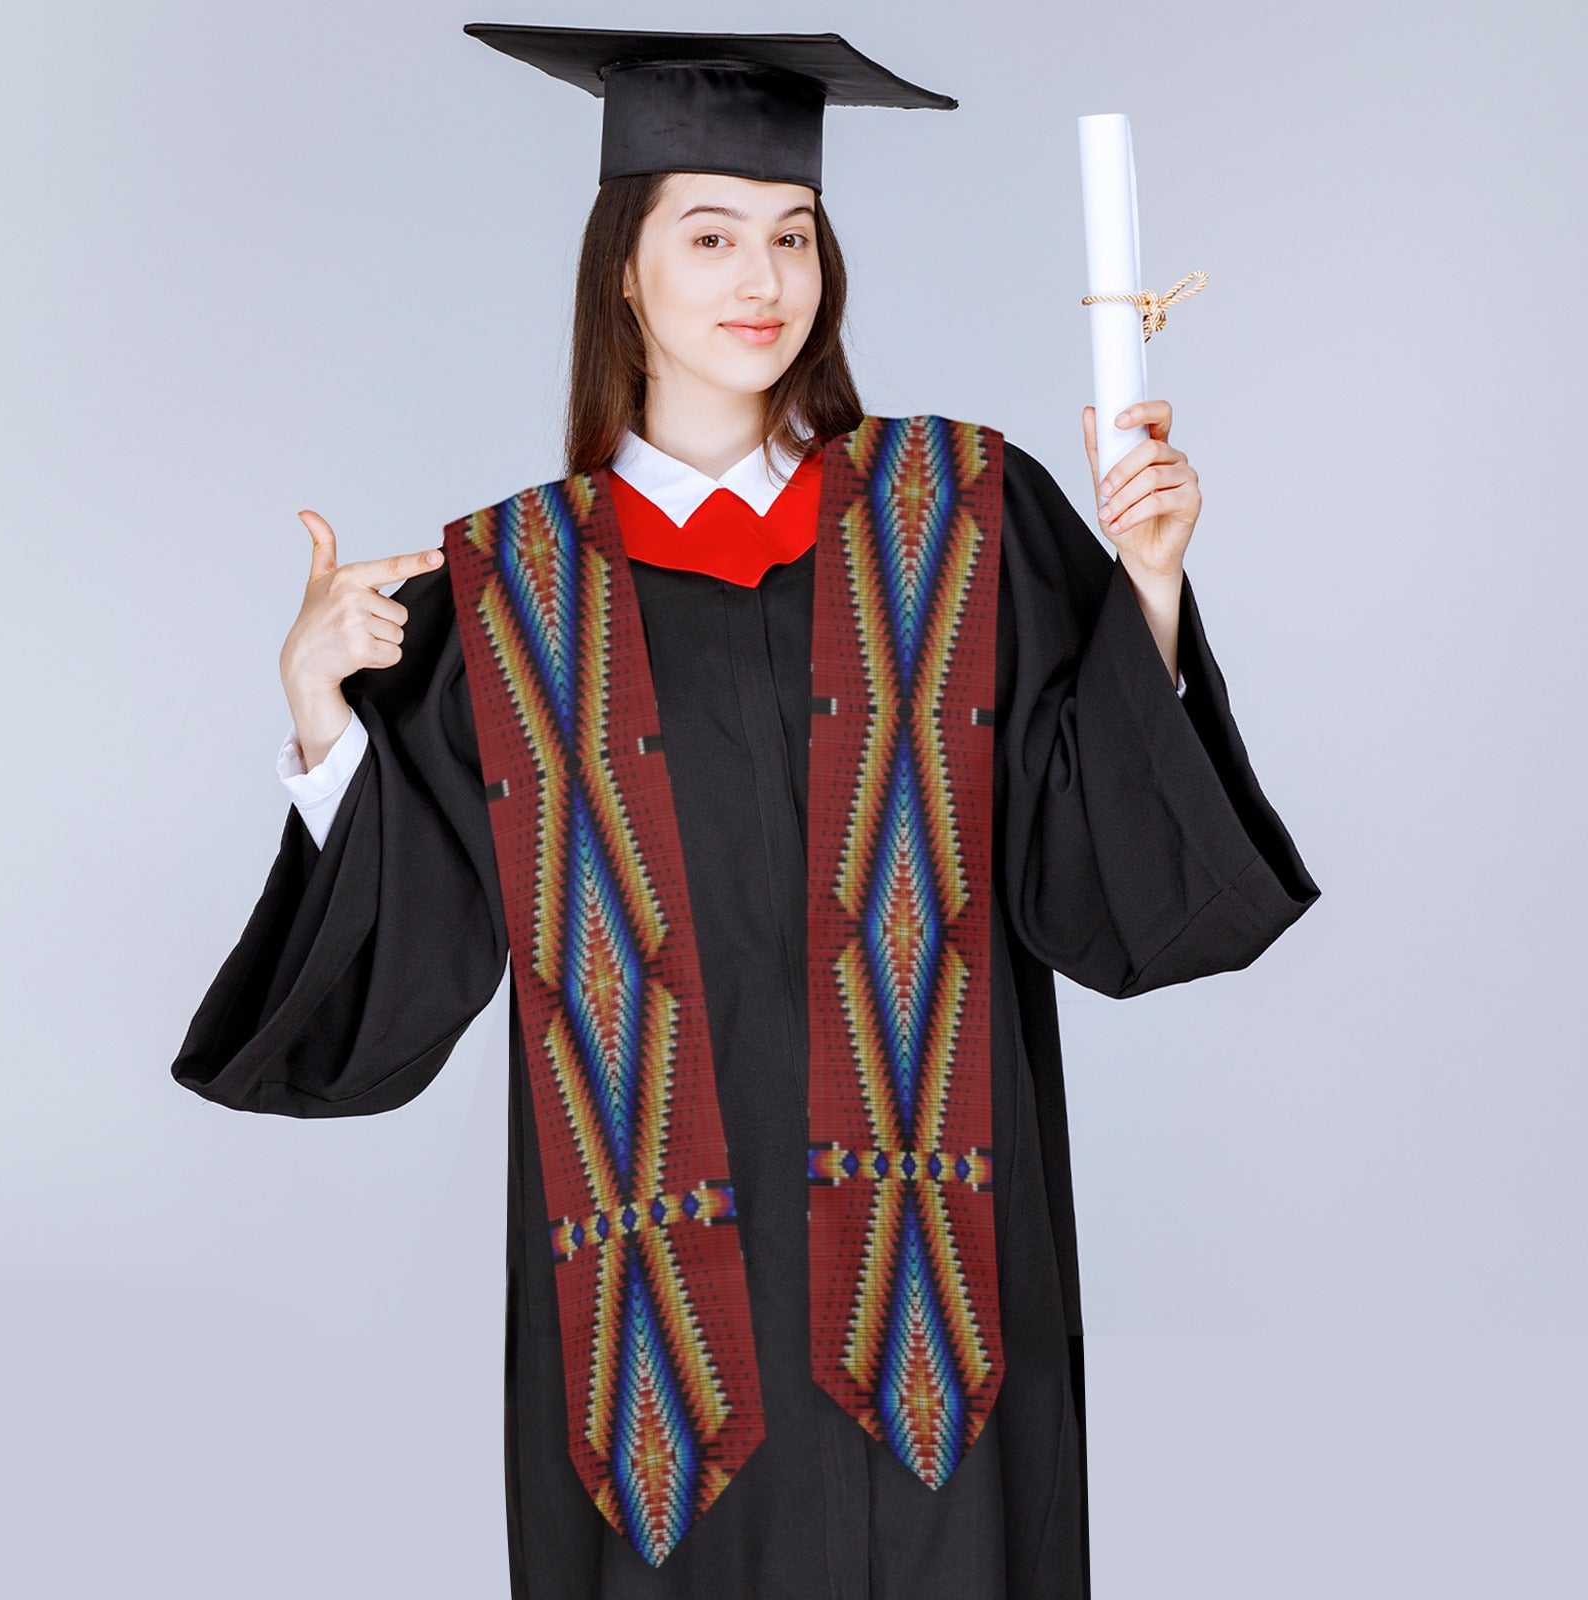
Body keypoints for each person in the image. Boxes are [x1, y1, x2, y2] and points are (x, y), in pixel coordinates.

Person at [171, 23, 1321, 1600]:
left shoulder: (964, 512)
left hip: (943, 1328)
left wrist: (1153, 593)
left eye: (792, 236)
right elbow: (404, 962)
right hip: (658, 1372)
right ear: (623, 273)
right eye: (707, 236)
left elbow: (1101, 882)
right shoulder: (508, 594)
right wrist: (319, 713)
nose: (760, 276)